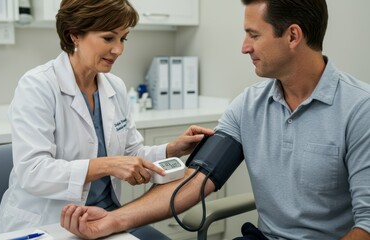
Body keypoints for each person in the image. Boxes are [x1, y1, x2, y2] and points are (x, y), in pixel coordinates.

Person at [60, 0, 370, 239]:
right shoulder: (249, 105)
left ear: (292, 36)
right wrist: (115, 219)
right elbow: (195, 179)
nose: (244, 47)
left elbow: (367, 225)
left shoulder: (359, 110)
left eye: (253, 35)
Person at [0, 0, 214, 239]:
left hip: (107, 216)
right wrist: (108, 165)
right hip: (51, 223)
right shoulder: (38, 85)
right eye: (109, 38)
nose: (118, 49)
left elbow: (131, 153)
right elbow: (32, 172)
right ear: (74, 35)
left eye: (123, 38)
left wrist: (173, 149)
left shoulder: (114, 87)